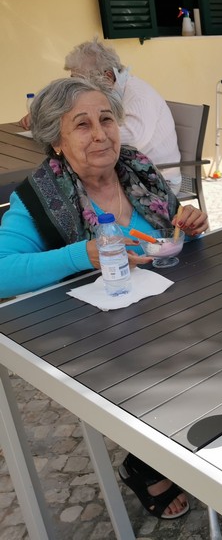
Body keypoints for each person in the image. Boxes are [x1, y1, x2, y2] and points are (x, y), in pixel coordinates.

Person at [0, 76, 209, 519]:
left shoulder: (137, 169)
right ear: (57, 142)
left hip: (170, 309)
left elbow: (168, 235)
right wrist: (83, 254)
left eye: (106, 120)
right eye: (82, 125)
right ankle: (145, 460)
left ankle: (189, 443)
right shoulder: (40, 196)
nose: (100, 134)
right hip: (101, 333)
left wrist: (188, 226)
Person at [18, 38, 182, 192]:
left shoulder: (139, 95)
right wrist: (45, 119)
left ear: (108, 76)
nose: (76, 87)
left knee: (66, 186)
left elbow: (134, 138)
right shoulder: (107, 92)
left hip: (157, 177)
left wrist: (73, 134)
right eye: (73, 79)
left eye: (82, 80)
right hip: (122, 168)